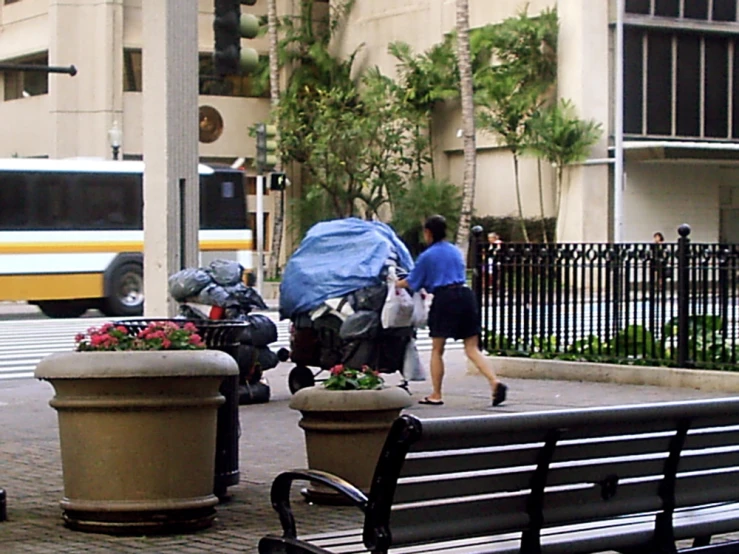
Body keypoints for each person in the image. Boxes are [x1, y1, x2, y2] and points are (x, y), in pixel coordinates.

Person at [396, 215, 507, 407]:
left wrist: (394, 283)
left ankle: (436, 394)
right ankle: (494, 382)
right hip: (466, 295)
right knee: (472, 348)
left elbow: (412, 282)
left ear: (428, 233)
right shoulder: (454, 250)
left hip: (445, 299)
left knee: (437, 349)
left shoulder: (427, 256)